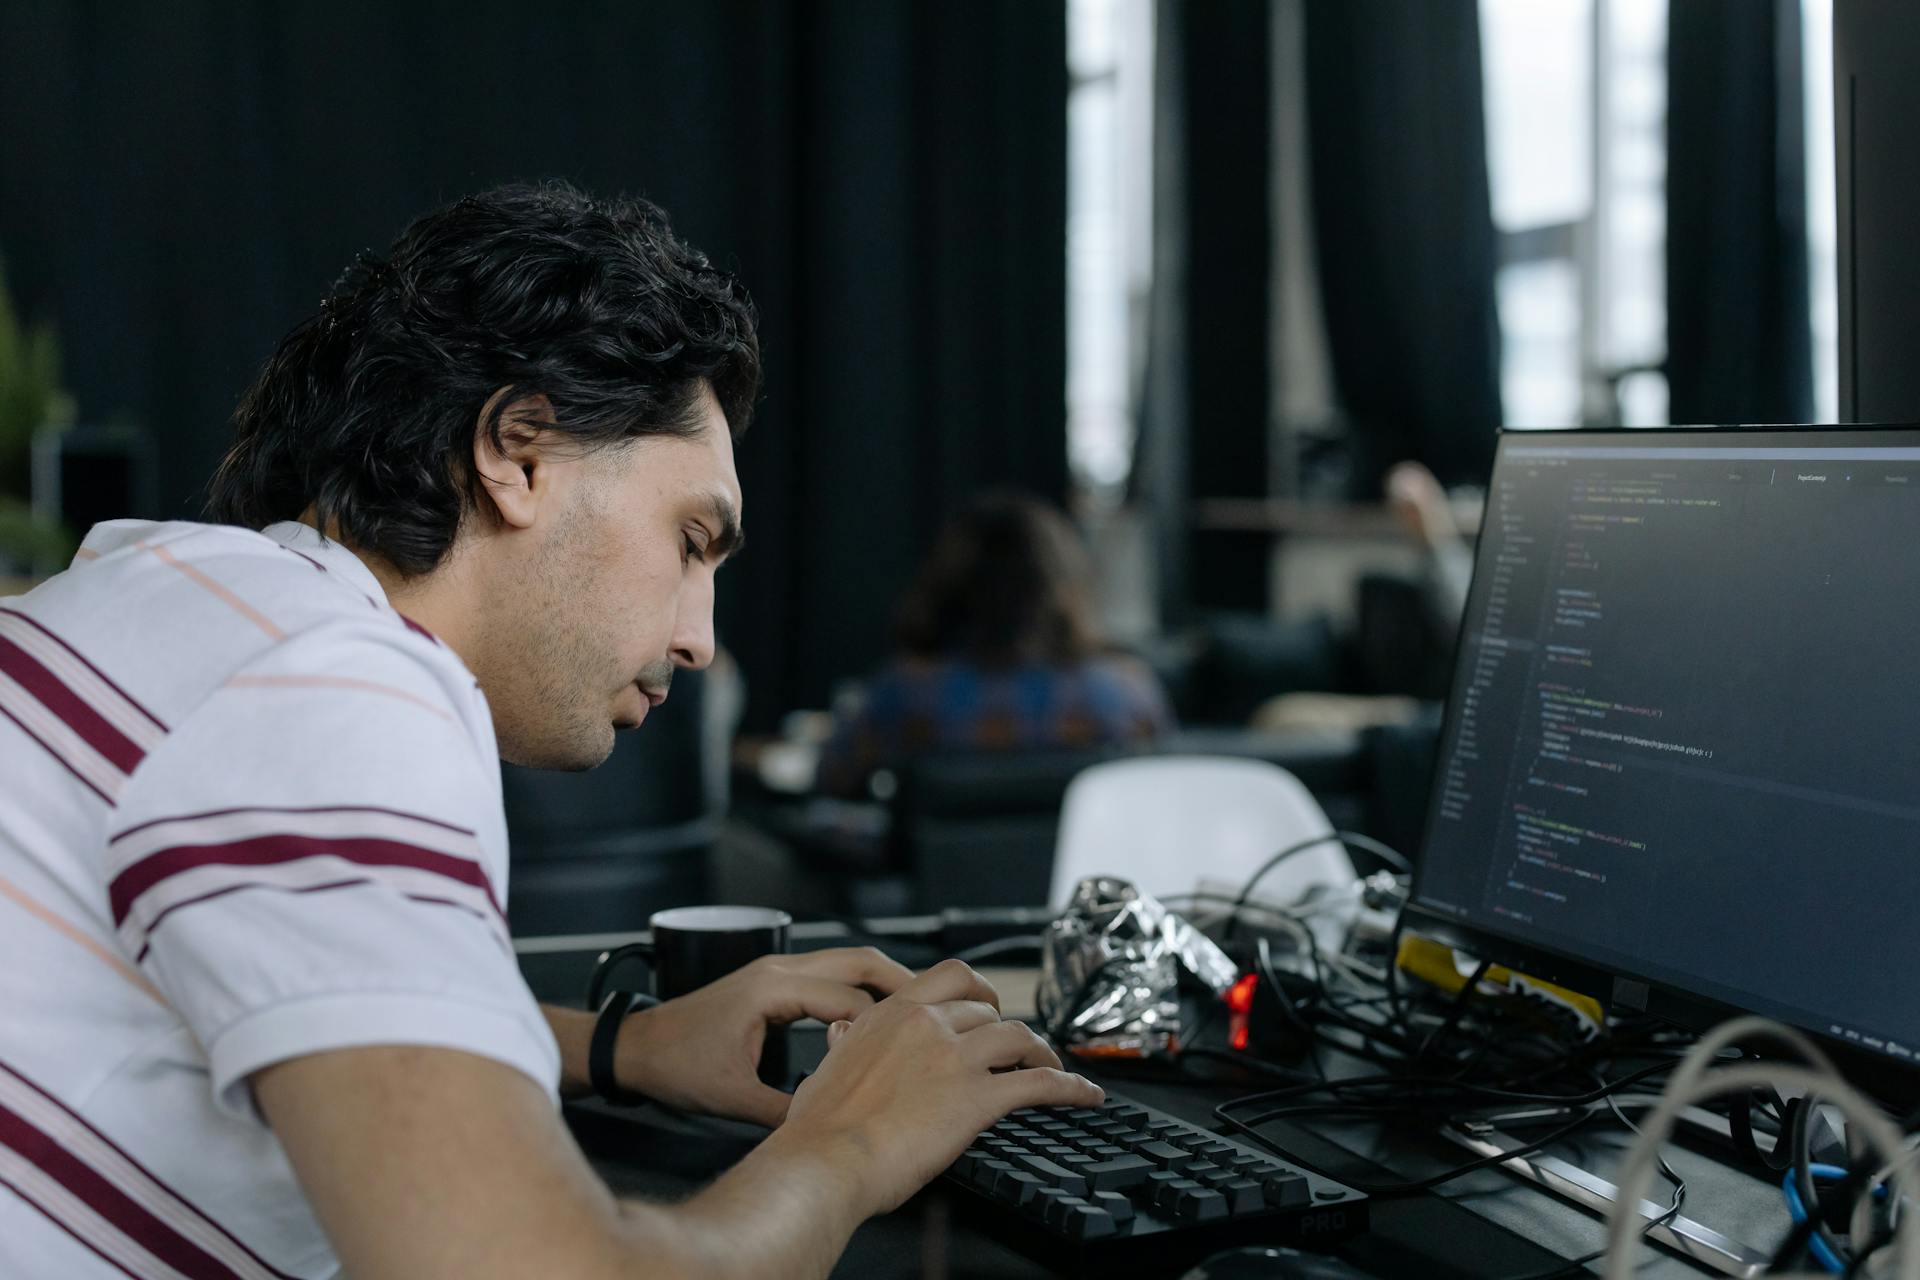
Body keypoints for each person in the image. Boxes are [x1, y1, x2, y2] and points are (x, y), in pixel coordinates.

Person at [0, 182, 1100, 1279]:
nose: (700, 638)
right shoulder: (341, 690)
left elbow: (254, 992)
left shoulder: (161, 592)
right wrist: (856, 1136)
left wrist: (622, 1045)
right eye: (691, 539)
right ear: (518, 452)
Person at [815, 491, 1174, 797]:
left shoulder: (904, 692)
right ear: (1065, 585)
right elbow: (1163, 793)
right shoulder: (1127, 691)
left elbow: (830, 779)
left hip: (945, 879)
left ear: (950, 586)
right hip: (1090, 878)